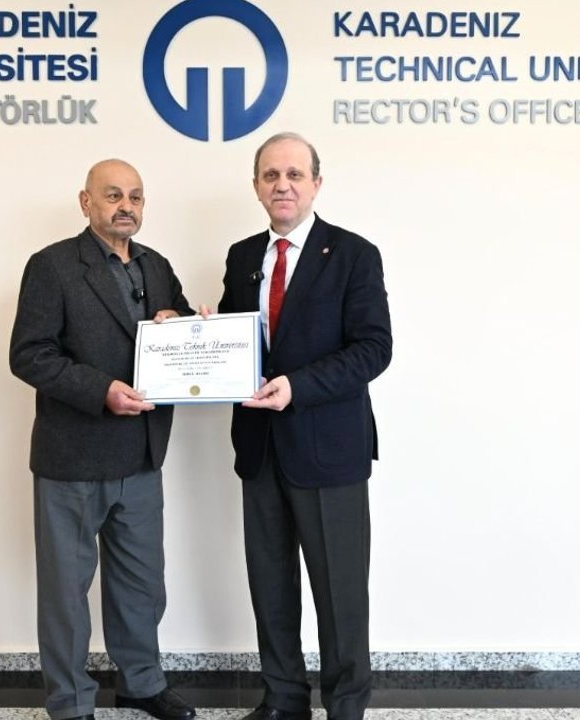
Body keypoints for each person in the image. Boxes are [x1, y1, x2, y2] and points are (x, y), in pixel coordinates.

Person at [10, 159, 198, 720]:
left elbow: (182, 328)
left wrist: (183, 322)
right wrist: (102, 391)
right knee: (67, 592)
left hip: (141, 455)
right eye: (113, 195)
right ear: (85, 201)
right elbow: (30, 355)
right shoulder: (52, 266)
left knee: (142, 584)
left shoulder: (156, 265)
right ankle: (70, 701)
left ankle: (141, 683)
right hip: (73, 455)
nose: (126, 206)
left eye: (136, 197)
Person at [216, 133, 392, 720]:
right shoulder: (243, 256)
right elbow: (238, 340)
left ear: (316, 183)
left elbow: (373, 349)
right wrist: (196, 334)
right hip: (260, 449)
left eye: (294, 174)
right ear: (256, 187)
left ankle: (345, 707)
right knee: (270, 587)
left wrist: (298, 386)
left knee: (340, 593)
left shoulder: (354, 254)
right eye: (271, 175)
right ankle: (284, 699)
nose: (282, 185)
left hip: (330, 450)